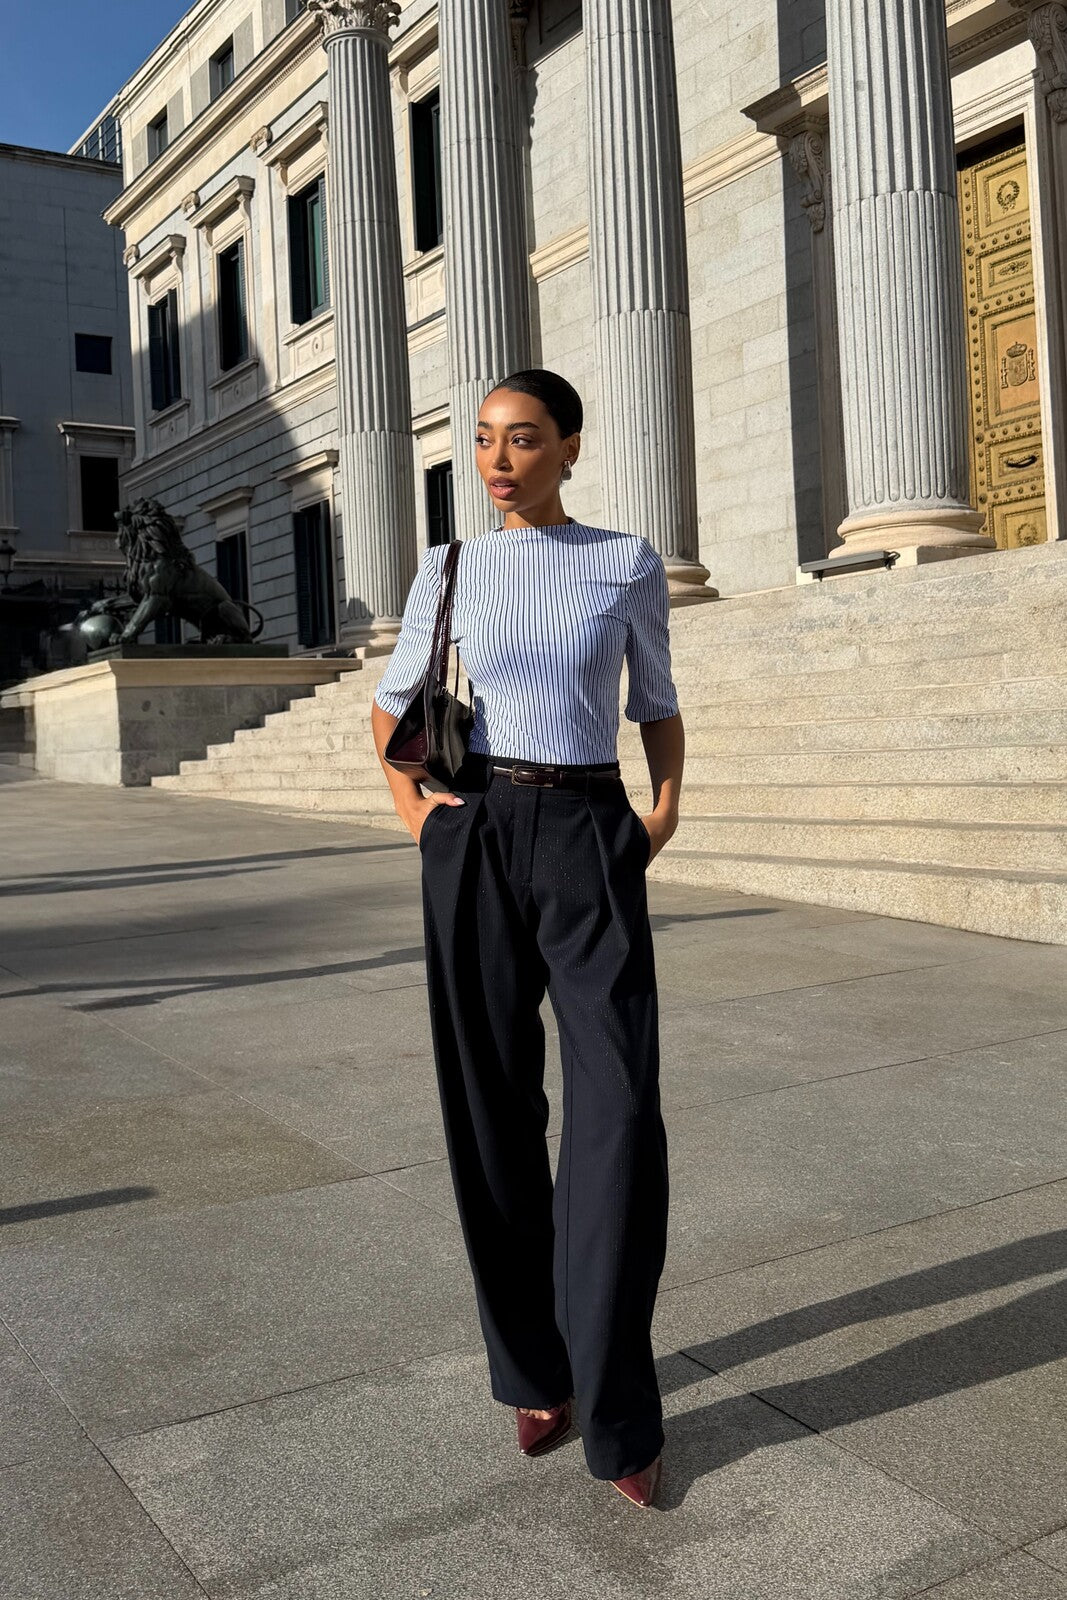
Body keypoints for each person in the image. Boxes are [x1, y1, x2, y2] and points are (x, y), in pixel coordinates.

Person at [369, 368, 684, 1510]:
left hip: (591, 828)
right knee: (490, 1105)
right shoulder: (449, 567)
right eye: (487, 441)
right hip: (480, 834)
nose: (499, 461)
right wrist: (422, 824)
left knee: (620, 1112)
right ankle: (535, 1368)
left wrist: (664, 806)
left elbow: (653, 695)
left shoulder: (624, 560)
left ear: (570, 448)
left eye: (525, 439)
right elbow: (393, 709)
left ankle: (617, 1409)